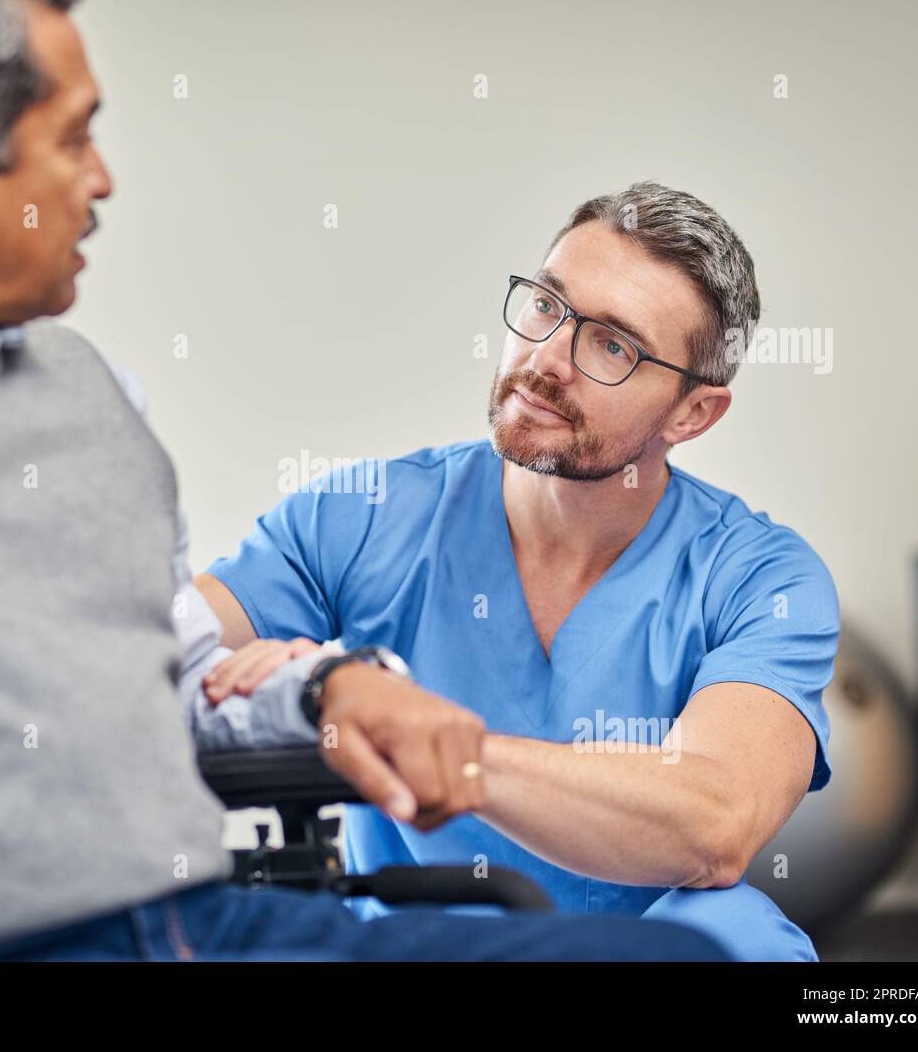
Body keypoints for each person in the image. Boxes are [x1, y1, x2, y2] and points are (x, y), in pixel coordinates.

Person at [0, 0, 728, 962]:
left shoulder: (90, 395)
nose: (101, 180)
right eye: (74, 136)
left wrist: (329, 685)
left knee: (672, 961)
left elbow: (173, 676)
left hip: (192, 919)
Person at [199, 182, 840, 961]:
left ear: (691, 414)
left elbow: (714, 824)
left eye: (612, 344)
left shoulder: (760, 578)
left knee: (744, 939)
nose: (546, 360)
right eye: (546, 305)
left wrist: (444, 747)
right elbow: (143, 658)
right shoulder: (362, 514)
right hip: (409, 943)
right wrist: (309, 687)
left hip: (648, 951)